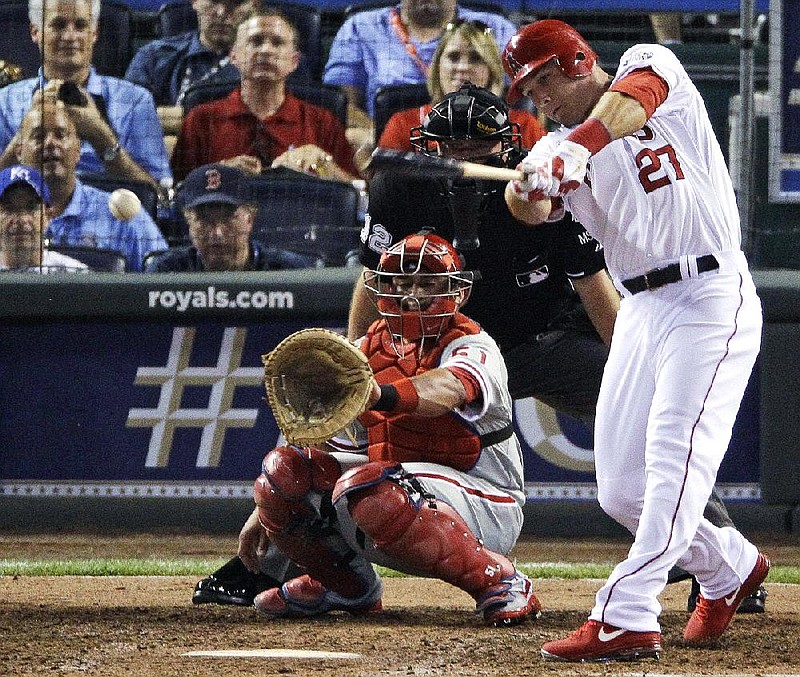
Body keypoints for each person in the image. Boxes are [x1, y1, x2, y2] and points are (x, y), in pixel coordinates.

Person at [501, 19, 769, 661]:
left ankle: (627, 612)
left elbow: (634, 97)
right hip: (643, 307)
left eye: (544, 81)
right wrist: (528, 190)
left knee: (676, 459)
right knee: (621, 488)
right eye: (528, 89)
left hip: (710, 292)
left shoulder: (647, 66)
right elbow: (531, 208)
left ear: (576, 60)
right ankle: (729, 562)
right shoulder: (556, 142)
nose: (540, 98)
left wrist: (579, 149)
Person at [241, 232, 540, 626]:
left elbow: (448, 388)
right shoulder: (366, 350)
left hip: (485, 501)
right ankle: (346, 586)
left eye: (427, 283)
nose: (412, 296)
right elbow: (325, 442)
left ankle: (500, 580)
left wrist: (378, 394)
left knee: (374, 486)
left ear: (458, 294)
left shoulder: (472, 344)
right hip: (392, 488)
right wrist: (264, 507)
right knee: (284, 470)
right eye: (401, 284)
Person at [172, 9, 359, 183]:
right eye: (256, 41)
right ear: (234, 57)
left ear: (294, 61)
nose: (266, 50)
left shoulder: (322, 122)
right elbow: (176, 196)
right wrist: (220, 173)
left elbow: (358, 196)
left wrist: (323, 165)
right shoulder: (201, 120)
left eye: (277, 43)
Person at [0, 0, 172, 189]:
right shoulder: (5, 103)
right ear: (35, 32)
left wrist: (100, 135)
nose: (69, 36)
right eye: (58, 25)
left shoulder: (135, 102)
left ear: (94, 33)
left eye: (80, 26)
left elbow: (160, 200)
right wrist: (26, 131)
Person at [323, 0, 518, 146]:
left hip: (482, 141)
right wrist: (385, 136)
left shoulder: (498, 29)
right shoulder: (359, 27)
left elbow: (524, 98)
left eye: (475, 58)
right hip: (381, 142)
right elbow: (340, 106)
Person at [13, 99, 167, 272]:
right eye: (39, 136)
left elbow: (162, 280)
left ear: (78, 150)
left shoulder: (124, 213)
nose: (50, 143)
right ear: (19, 152)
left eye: (60, 134)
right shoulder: (5, 218)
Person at [378, 21, 544, 152]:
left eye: (475, 58)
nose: (463, 67)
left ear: (491, 70)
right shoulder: (402, 125)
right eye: (453, 57)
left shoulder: (524, 126)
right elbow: (384, 190)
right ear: (437, 68)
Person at [144, 163, 321, 272]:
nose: (217, 233)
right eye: (204, 222)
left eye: (228, 219)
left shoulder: (287, 271)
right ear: (189, 223)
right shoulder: (167, 272)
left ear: (249, 219)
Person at [124, 0, 259, 137]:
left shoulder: (264, 63)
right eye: (213, 2)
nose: (221, 13)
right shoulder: (154, 55)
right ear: (195, 2)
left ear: (254, 5)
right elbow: (128, 117)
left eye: (234, 4)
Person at [0, 164, 86, 273]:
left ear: (48, 215)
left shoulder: (75, 274)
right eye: (9, 209)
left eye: (31, 208)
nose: (21, 219)